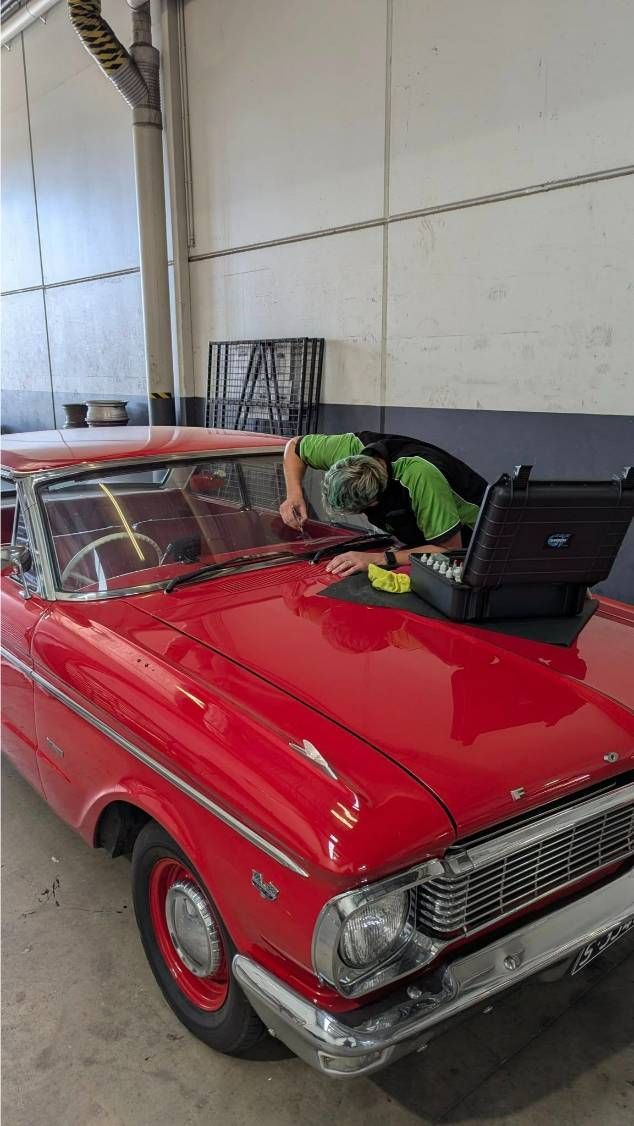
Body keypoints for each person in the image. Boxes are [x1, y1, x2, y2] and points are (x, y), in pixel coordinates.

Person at [280, 430, 488, 577]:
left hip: (477, 543)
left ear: (376, 501)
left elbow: (448, 550)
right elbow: (295, 446)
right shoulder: (347, 448)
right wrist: (294, 494)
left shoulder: (420, 477)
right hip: (421, 541)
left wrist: (380, 559)